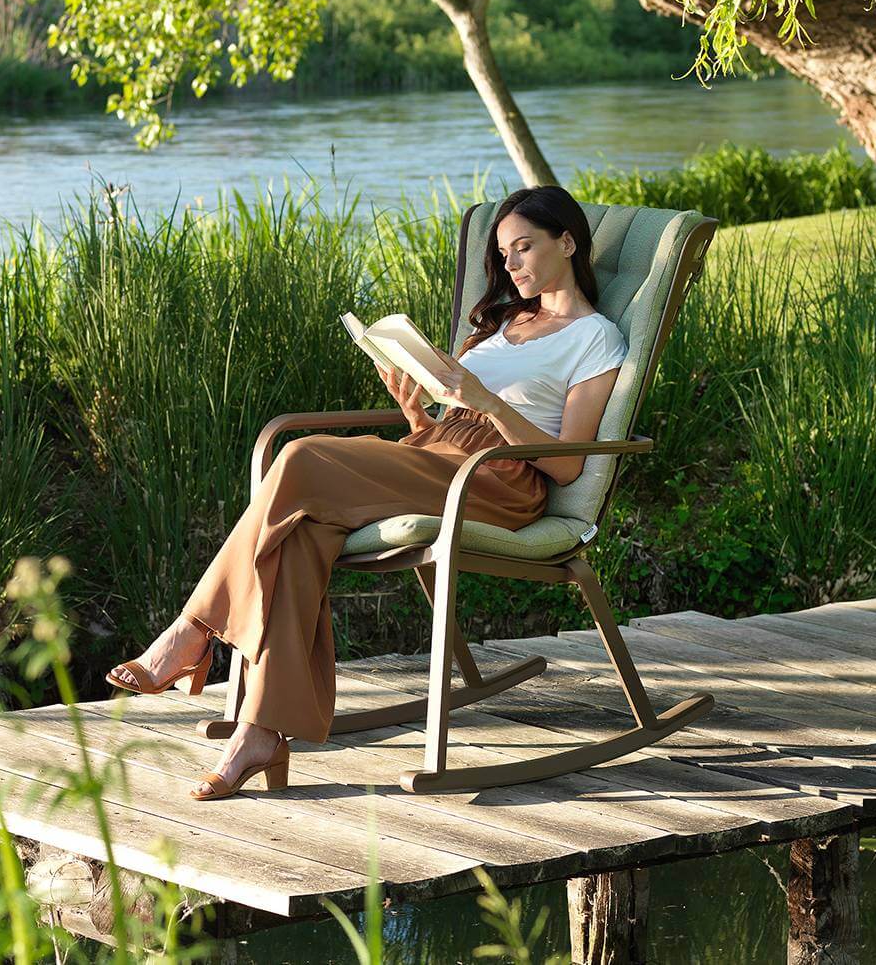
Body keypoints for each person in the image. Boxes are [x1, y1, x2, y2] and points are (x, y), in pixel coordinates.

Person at [105, 185, 628, 801]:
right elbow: (438, 429)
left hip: (494, 481)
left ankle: (191, 632)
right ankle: (259, 732)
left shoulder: (596, 338)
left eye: (523, 248)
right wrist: (414, 408)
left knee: (300, 454)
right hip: (435, 456)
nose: (510, 266)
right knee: (301, 535)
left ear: (567, 242)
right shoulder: (506, 322)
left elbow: (566, 466)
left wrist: (485, 401)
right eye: (503, 254)